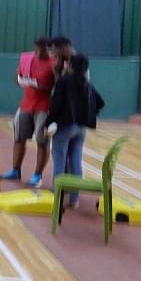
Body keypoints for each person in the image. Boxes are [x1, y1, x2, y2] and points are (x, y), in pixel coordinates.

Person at [45, 54, 105, 209]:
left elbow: (56, 104)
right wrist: (88, 113)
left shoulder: (64, 81)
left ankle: (57, 195)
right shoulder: (87, 84)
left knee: (59, 160)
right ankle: (74, 199)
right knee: (76, 162)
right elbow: (100, 102)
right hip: (80, 128)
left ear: (70, 66)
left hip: (64, 126)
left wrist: (49, 123)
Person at [1, 36, 56, 188]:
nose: (38, 53)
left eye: (42, 50)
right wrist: (20, 79)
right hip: (26, 105)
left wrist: (40, 86)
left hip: (45, 107)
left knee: (42, 141)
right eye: (36, 49)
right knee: (19, 138)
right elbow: (17, 78)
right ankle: (15, 170)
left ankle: (37, 176)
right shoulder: (27, 58)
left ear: (49, 50)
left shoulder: (54, 62)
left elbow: (57, 88)